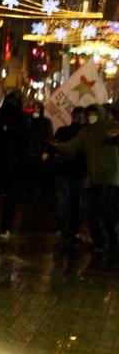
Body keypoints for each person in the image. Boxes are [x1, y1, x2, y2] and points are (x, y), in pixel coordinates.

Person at [55, 104, 119, 262]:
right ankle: (100, 241)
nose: (91, 116)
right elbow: (73, 145)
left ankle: (113, 239)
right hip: (92, 178)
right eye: (89, 114)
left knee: (103, 208)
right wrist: (58, 146)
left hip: (108, 178)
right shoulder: (85, 132)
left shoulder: (110, 126)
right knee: (87, 211)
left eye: (94, 114)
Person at [0, 90, 29, 240]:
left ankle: (5, 227)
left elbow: (24, 140)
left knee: (8, 199)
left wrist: (8, 131)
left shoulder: (22, 120)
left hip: (12, 166)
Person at [48, 107, 87, 245]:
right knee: (62, 203)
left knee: (77, 204)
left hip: (79, 175)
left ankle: (74, 230)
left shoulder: (86, 134)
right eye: (76, 116)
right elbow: (53, 147)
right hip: (63, 173)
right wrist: (58, 154)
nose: (78, 119)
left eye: (81, 116)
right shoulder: (63, 131)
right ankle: (63, 228)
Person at [26, 102, 53, 203]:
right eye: (34, 107)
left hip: (39, 152)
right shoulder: (29, 119)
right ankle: (28, 195)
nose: (36, 109)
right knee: (29, 175)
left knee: (38, 175)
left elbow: (48, 137)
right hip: (29, 152)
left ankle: (36, 196)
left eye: (38, 108)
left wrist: (46, 151)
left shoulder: (46, 121)